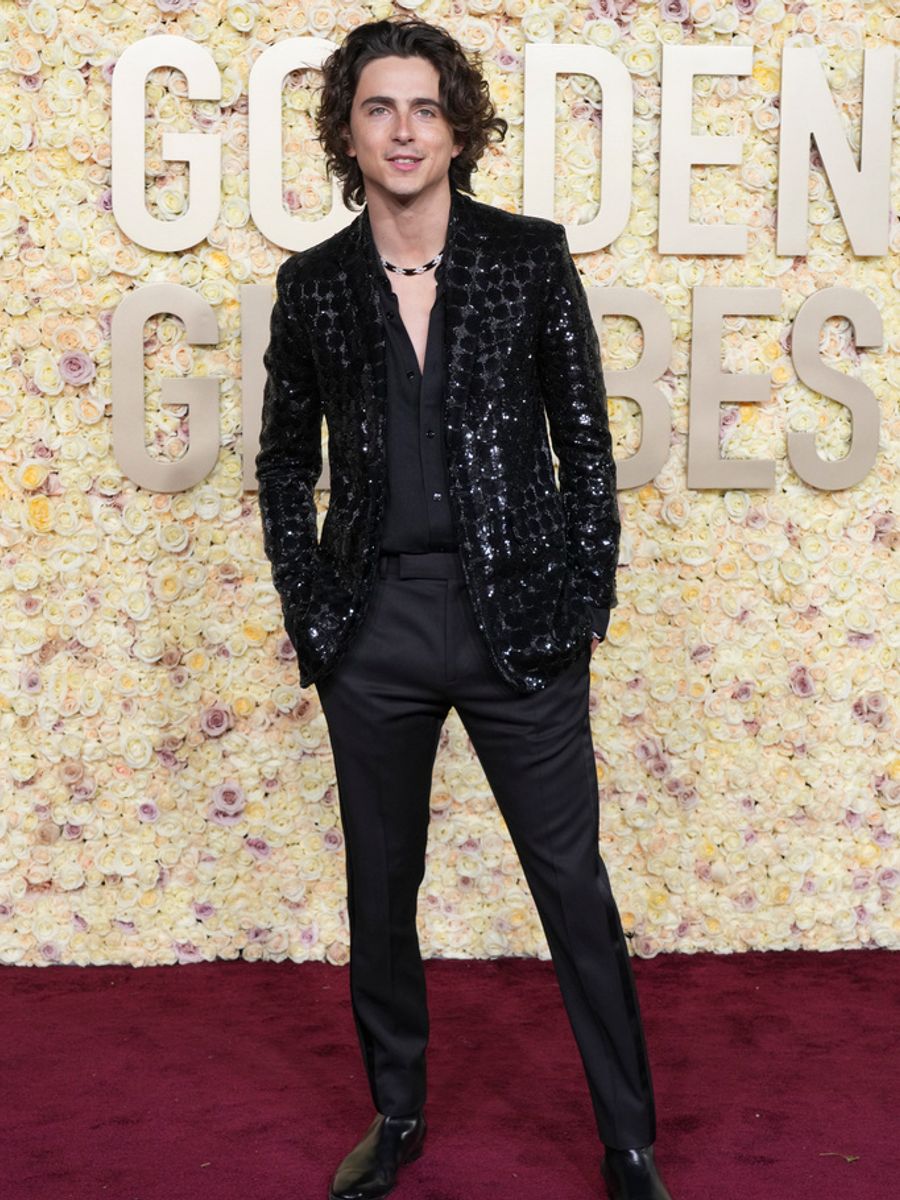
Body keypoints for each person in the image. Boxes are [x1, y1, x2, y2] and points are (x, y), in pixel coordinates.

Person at [256, 16, 673, 1200]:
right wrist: (314, 610)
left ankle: (628, 1139)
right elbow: (287, 462)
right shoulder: (315, 286)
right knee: (381, 890)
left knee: (571, 884)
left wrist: (582, 592)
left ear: (458, 125)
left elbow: (585, 444)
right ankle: (396, 1116)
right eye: (380, 107)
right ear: (348, 129)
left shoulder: (529, 258)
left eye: (425, 107)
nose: (403, 129)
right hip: (372, 628)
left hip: (519, 622)